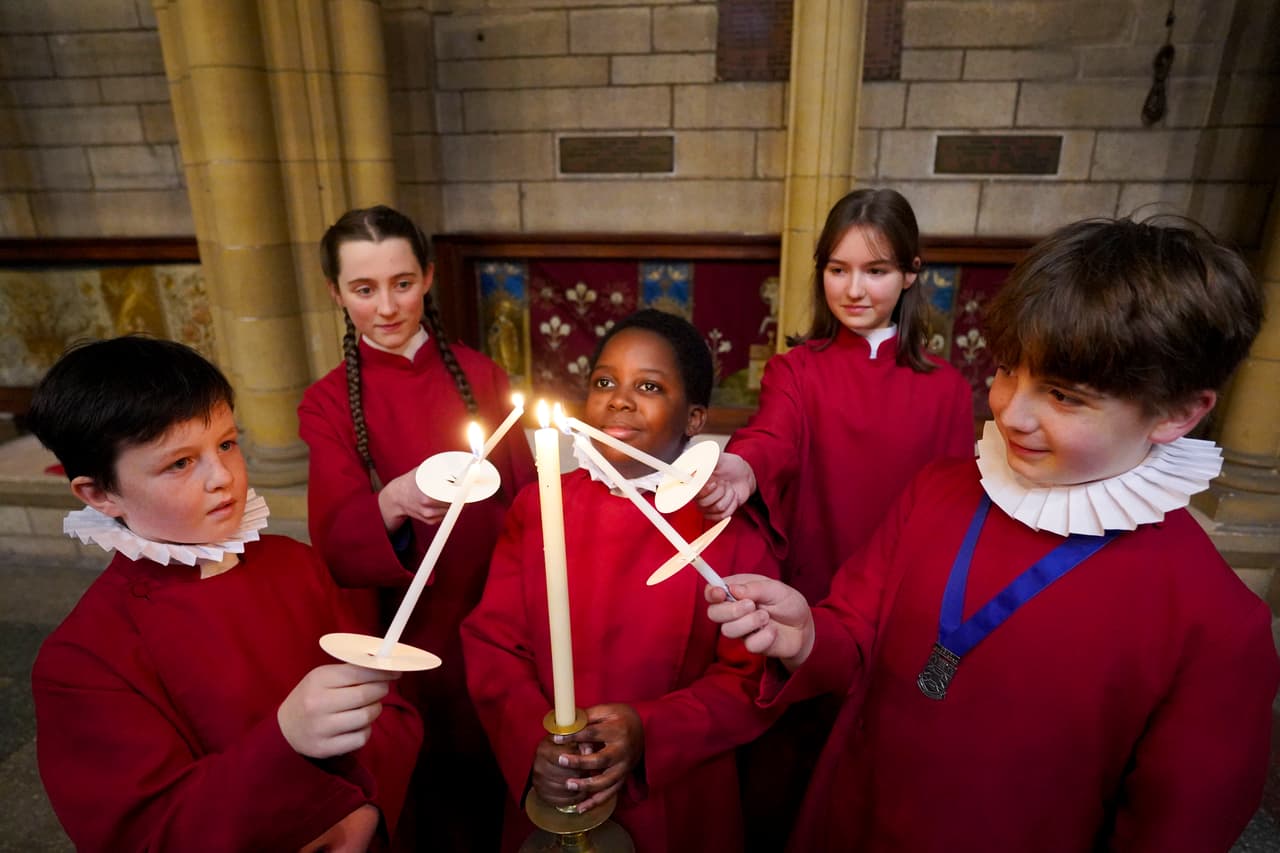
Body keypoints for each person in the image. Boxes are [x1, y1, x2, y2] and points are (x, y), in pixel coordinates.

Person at [707, 217, 1279, 852]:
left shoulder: (1217, 625)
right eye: (1009, 369)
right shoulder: (940, 490)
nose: (1010, 410)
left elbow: (1175, 831)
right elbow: (855, 632)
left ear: (1177, 412)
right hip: (855, 817)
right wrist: (810, 634)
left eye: (1063, 396)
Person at [27, 335, 422, 852]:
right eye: (180, 463)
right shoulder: (84, 662)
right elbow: (146, 833)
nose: (223, 478)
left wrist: (367, 809)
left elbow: (389, 707)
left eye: (227, 443)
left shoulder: (295, 564)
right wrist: (285, 743)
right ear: (99, 493)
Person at [697, 187, 975, 849]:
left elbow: (956, 500)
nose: (853, 288)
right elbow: (774, 435)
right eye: (837, 268)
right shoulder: (798, 368)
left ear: (911, 273)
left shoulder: (946, 387)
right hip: (814, 585)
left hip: (904, 598)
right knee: (793, 764)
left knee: (880, 760)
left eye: (875, 270)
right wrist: (740, 466)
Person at [461, 309, 782, 852]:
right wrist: (530, 743)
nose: (619, 399)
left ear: (695, 418)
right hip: (556, 779)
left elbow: (750, 678)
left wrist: (650, 730)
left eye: (649, 386)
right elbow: (495, 644)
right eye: (604, 382)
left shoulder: (728, 529)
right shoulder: (539, 506)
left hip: (676, 793)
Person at [298, 204, 536, 850]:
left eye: (402, 282)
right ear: (335, 292)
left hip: (495, 615)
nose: (386, 306)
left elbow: (527, 503)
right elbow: (338, 538)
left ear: (428, 277)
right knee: (428, 786)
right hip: (405, 623)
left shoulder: (481, 375)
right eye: (363, 288)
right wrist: (394, 500)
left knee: (500, 768)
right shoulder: (326, 402)